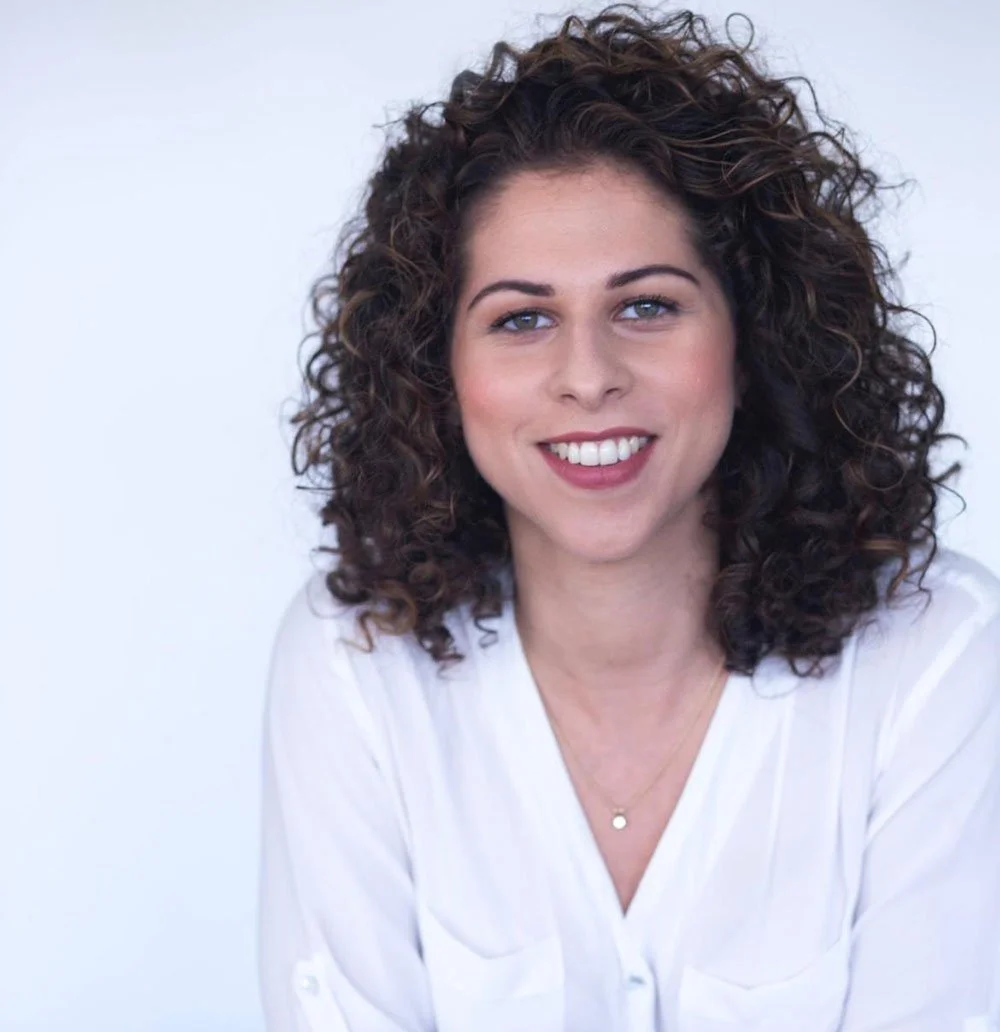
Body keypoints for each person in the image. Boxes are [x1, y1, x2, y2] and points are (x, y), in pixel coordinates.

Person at [256, 5, 1000, 1030]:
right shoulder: (355, 666)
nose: (588, 377)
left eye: (646, 305)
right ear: (439, 372)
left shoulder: (935, 652)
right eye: (521, 319)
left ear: (753, 336)